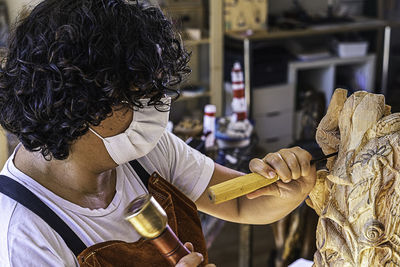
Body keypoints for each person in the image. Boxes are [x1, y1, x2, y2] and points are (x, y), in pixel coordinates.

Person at [0, 0, 316, 266]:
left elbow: (242, 204)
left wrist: (286, 191)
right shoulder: (24, 236)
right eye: (137, 97)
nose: (155, 108)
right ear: (80, 107)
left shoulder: (144, 150)